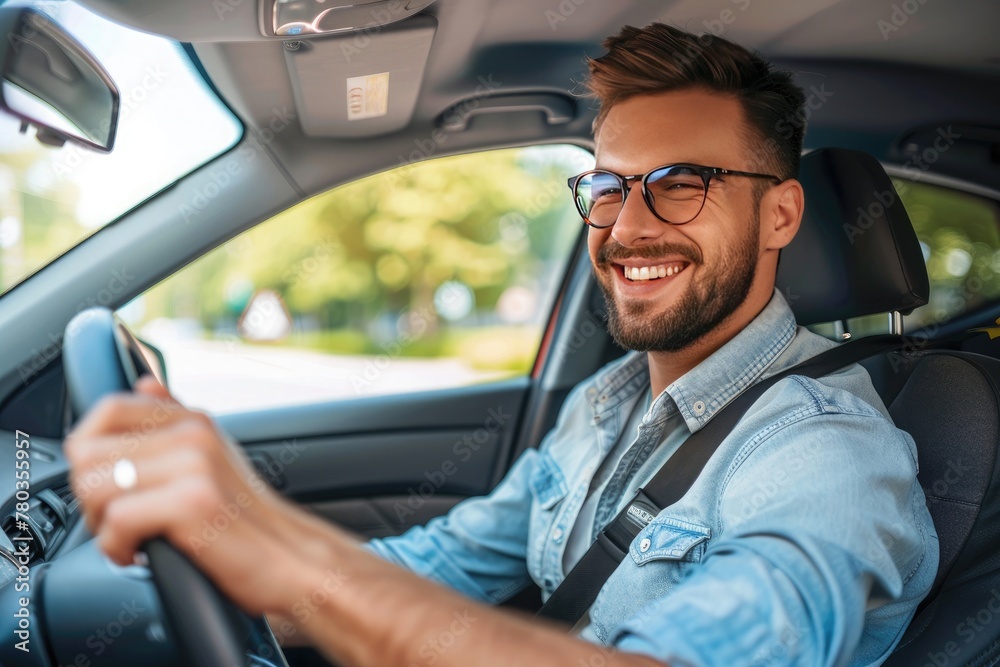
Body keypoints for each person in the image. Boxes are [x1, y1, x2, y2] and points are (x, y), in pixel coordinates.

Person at [66, 23, 938, 667]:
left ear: (779, 213)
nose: (627, 227)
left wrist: (292, 554)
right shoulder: (607, 403)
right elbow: (442, 563)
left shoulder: (831, 454)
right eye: (607, 186)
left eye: (681, 184)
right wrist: (220, 569)